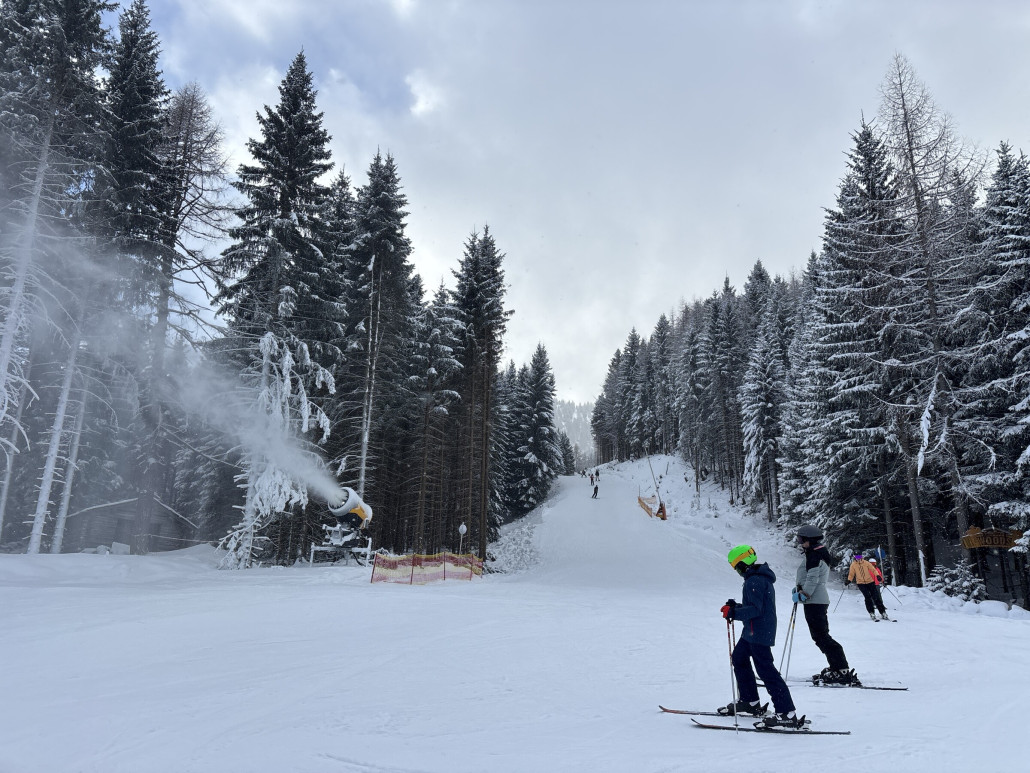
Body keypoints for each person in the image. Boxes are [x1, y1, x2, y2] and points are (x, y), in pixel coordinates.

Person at [718, 545, 805, 729]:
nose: (736, 571)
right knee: (739, 658)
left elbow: (756, 611)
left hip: (758, 632)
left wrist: (734, 612)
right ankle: (749, 701)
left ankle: (786, 713)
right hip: (751, 632)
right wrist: (737, 607)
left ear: (743, 564)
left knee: (766, 671)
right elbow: (755, 605)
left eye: (736, 566)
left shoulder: (754, 581)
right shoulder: (756, 578)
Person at [794, 524, 859, 686]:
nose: (800, 542)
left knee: (821, 636)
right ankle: (836, 667)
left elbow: (813, 578)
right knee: (820, 636)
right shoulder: (815, 553)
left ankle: (841, 669)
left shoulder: (815, 555)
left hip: (815, 600)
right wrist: (799, 589)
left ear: (810, 539)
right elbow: (810, 577)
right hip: (815, 600)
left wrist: (803, 594)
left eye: (802, 539)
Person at [847, 554, 890, 621]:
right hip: (861, 583)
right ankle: (871, 612)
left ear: (862, 557)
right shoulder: (853, 565)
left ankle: (883, 612)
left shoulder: (866, 563)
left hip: (870, 582)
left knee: (876, 597)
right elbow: (851, 574)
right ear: (854, 557)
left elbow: (873, 570)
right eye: (857, 557)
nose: (858, 558)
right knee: (867, 597)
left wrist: (878, 576)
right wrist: (849, 580)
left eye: (859, 556)